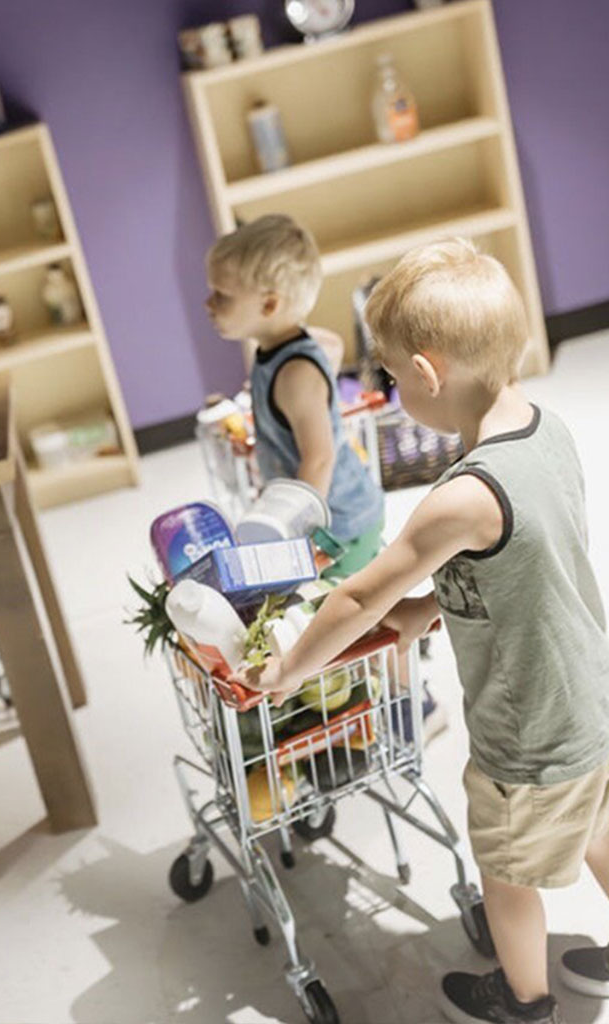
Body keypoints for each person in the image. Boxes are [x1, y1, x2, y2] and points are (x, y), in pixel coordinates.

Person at [243, 237, 609, 1024]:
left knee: (507, 875)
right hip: (590, 694)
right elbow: (524, 568)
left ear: (430, 373)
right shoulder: (549, 431)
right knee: (601, 827)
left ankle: (525, 1001)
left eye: (391, 374)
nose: (388, 385)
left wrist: (292, 670)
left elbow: (357, 599)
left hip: (528, 730)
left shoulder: (462, 496)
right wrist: (424, 615)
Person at [206, 214, 446, 736]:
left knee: (367, 617)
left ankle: (416, 710)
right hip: (331, 515)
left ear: (270, 305)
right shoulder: (281, 351)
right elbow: (330, 343)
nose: (209, 304)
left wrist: (287, 531)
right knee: (356, 615)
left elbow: (317, 459)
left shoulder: (293, 374)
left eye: (221, 295)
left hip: (335, 522)